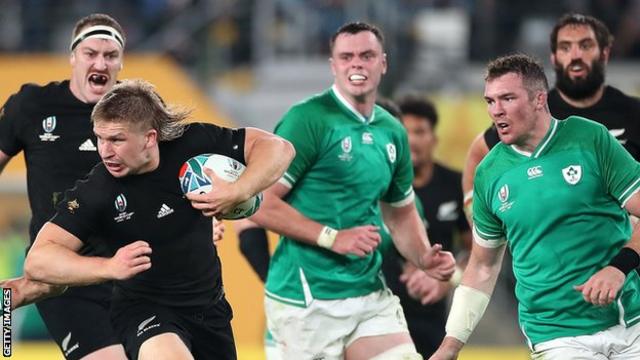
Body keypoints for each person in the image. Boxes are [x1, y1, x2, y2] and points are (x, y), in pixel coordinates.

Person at [23, 79, 294, 360]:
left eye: (116, 139)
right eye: (100, 138)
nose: (104, 150)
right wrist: (109, 266)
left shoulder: (194, 143)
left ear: (150, 138)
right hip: (145, 311)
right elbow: (38, 260)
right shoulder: (98, 190)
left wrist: (237, 190)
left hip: (210, 310)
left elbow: (279, 148)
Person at [248, 21, 456, 360]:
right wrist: (333, 237)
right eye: (346, 57)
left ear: (383, 63)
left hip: (368, 295)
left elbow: (400, 211)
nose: (356, 64)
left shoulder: (393, 132)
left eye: (366, 55)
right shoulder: (307, 120)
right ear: (333, 65)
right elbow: (259, 203)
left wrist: (422, 256)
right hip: (306, 301)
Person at [430, 53, 640, 360]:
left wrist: (620, 267)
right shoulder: (490, 173)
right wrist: (451, 344)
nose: (496, 111)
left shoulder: (590, 138)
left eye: (507, 98)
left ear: (539, 99)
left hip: (630, 319)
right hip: (555, 334)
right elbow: (483, 266)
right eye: (489, 101)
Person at [0, 13, 129, 359]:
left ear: (120, 63)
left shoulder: (138, 114)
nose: (100, 62)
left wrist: (205, 219)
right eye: (90, 53)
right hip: (62, 278)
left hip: (130, 273)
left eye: (110, 55)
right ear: (73, 57)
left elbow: (169, 177)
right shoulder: (32, 106)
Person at [462, 13, 640, 219]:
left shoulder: (634, 112)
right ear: (554, 57)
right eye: (565, 47)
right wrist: (478, 220)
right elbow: (478, 155)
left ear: (604, 54)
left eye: (585, 46)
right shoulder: (533, 110)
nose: (575, 55)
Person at [379, 94, 470, 358]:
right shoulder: (377, 183)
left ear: (434, 139)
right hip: (379, 315)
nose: (412, 140)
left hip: (432, 319)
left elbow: (480, 250)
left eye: (420, 131)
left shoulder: (455, 185)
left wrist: (448, 278)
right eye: (404, 131)